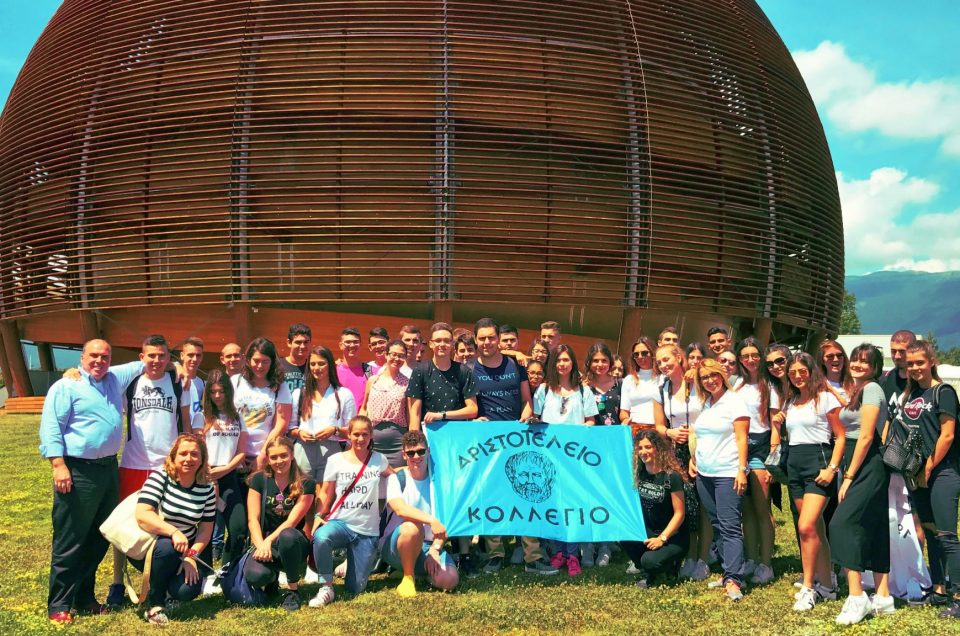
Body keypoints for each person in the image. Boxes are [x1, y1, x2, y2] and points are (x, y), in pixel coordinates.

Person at [39, 339, 144, 624]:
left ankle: (84, 598)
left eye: (105, 356)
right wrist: (58, 465)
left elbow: (147, 360)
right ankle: (59, 603)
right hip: (77, 470)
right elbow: (51, 427)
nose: (99, 361)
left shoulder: (114, 378)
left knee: (99, 538)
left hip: (108, 469)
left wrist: (179, 365)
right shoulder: (66, 386)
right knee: (71, 539)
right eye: (93, 356)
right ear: (82, 358)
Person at [112, 335, 191, 604]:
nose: (156, 360)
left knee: (165, 523)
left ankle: (161, 579)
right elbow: (99, 377)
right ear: (141, 357)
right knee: (124, 522)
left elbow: (186, 425)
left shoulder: (178, 382)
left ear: (169, 358)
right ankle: (117, 583)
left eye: (162, 356)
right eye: (151, 355)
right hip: (133, 463)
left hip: (166, 466)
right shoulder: (130, 383)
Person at [472, 318, 554, 574]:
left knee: (526, 494)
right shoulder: (469, 369)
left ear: (498, 338)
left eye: (491, 337)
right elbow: (471, 405)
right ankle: (495, 554)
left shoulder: (516, 366)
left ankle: (533, 556)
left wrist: (525, 417)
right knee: (491, 497)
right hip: (487, 443)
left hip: (518, 439)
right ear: (476, 340)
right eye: (482, 338)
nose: (487, 342)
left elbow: (527, 401)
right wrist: (476, 419)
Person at [829, 344, 893, 624]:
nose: (857, 364)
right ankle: (883, 596)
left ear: (875, 367)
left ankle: (857, 597)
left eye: (865, 362)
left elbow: (867, 436)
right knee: (875, 526)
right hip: (860, 460)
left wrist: (850, 476)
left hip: (867, 462)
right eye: (855, 359)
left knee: (842, 523)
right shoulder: (858, 390)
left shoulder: (872, 389)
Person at [900, 341, 960, 620]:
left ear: (931, 360)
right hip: (917, 473)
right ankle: (938, 588)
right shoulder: (912, 394)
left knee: (947, 535)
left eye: (919, 362)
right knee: (931, 531)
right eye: (910, 363)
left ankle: (958, 596)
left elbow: (947, 435)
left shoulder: (943, 392)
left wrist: (929, 467)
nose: (914, 368)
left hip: (943, 471)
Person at [132, 434, 215, 626]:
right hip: (154, 546)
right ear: (173, 457)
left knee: (188, 590)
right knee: (168, 548)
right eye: (183, 453)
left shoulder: (207, 488)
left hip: (184, 550)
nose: (188, 459)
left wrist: (191, 557)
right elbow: (142, 514)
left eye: (195, 454)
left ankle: (170, 592)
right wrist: (173, 532)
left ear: (202, 459)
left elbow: (205, 531)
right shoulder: (161, 478)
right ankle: (155, 603)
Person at [310, 416, 391, 607]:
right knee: (321, 537)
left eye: (365, 434)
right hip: (341, 523)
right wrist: (317, 516)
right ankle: (326, 586)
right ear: (349, 434)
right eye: (356, 434)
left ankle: (349, 562)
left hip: (367, 531)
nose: (360, 439)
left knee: (355, 588)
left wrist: (419, 466)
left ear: (371, 436)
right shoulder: (335, 460)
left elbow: (396, 477)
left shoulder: (379, 459)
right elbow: (326, 493)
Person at [784, 352, 844, 611]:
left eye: (802, 371)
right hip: (794, 466)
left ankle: (809, 587)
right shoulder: (792, 401)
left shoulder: (826, 398)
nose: (797, 376)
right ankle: (828, 585)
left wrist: (832, 468)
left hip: (818, 466)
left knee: (806, 526)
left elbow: (840, 436)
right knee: (815, 528)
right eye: (793, 372)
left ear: (811, 371)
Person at [533, 344, 598, 576]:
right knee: (553, 505)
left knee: (573, 505)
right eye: (558, 360)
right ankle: (559, 551)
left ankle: (573, 554)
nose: (562, 364)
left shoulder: (584, 391)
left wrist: (581, 429)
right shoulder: (543, 390)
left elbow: (591, 420)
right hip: (549, 459)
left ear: (573, 362)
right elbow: (537, 418)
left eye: (566, 360)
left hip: (575, 459)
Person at [690, 359, 749, 602]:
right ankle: (728, 572)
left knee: (730, 526)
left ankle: (735, 578)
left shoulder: (735, 401)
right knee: (716, 524)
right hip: (705, 473)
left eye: (713, 375)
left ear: (722, 375)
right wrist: (694, 460)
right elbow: (700, 436)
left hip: (727, 472)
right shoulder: (706, 404)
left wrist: (741, 469)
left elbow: (742, 438)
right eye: (704, 377)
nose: (710, 380)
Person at [380, 431, 459, 597]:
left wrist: (435, 549)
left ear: (428, 451)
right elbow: (401, 509)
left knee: (450, 581)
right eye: (410, 453)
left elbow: (445, 522)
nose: (416, 456)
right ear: (404, 455)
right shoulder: (396, 478)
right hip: (397, 544)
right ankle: (408, 577)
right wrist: (431, 520)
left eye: (421, 451)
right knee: (412, 526)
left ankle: (421, 572)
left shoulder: (439, 482)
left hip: (429, 544)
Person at [652, 344, 707, 581]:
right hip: (676, 451)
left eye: (667, 359)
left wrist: (693, 433)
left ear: (679, 357)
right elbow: (659, 425)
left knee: (703, 504)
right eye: (660, 362)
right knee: (685, 504)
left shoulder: (696, 382)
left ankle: (702, 557)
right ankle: (688, 555)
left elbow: (710, 412)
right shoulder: (661, 388)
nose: (664, 365)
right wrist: (670, 433)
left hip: (701, 447)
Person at [245, 437, 315, 611]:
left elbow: (292, 522)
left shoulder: (306, 484)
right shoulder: (259, 480)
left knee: (287, 535)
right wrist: (260, 544)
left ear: (292, 455)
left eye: (283, 455)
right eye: (274, 457)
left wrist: (268, 541)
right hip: (266, 543)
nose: (279, 461)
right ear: (268, 459)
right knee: (255, 576)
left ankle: (293, 590)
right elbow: (252, 518)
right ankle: (271, 580)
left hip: (294, 543)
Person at [732, 337, 781, 586]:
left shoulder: (770, 385)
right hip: (740, 446)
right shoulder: (736, 384)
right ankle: (750, 559)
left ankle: (766, 563)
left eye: (754, 355)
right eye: (744, 356)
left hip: (762, 447)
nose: (750, 360)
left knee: (763, 508)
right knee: (747, 509)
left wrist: (773, 455)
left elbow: (775, 423)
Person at [198, 369, 248, 586]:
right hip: (205, 478)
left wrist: (226, 468)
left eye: (221, 392)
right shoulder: (200, 416)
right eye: (213, 392)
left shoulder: (238, 417)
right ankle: (204, 573)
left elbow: (242, 452)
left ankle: (227, 569)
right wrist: (208, 468)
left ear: (229, 392)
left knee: (238, 529)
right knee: (204, 527)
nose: (217, 396)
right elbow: (195, 447)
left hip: (229, 476)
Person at [621, 430, 688, 588]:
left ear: (658, 448)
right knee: (624, 536)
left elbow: (680, 514)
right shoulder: (639, 474)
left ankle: (670, 566)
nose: (643, 452)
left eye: (648, 447)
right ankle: (649, 573)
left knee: (648, 561)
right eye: (640, 448)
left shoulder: (672, 477)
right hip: (648, 533)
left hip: (672, 537)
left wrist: (662, 538)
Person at [290, 346, 356, 482]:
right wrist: (299, 433)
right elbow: (290, 428)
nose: (316, 368)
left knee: (326, 496)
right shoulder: (299, 393)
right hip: (303, 449)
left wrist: (335, 430)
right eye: (313, 364)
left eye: (321, 363)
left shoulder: (344, 394)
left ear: (330, 365)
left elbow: (352, 430)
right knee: (302, 493)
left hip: (331, 449)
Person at [360, 339, 411, 468]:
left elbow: (410, 415)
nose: (397, 358)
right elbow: (364, 408)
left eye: (401, 355)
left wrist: (410, 442)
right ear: (386, 354)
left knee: (397, 479)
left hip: (397, 443)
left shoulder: (407, 383)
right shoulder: (373, 380)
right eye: (393, 354)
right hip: (373, 442)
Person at [620, 337, 660, 434]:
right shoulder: (628, 380)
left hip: (657, 429)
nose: (640, 357)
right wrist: (625, 419)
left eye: (645, 353)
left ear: (653, 353)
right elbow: (624, 411)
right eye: (636, 354)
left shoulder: (663, 378)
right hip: (634, 428)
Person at [880, 329, 917, 424]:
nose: (897, 356)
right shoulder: (885, 379)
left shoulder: (922, 382)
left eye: (902, 351)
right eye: (893, 351)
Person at [337, 327, 374, 408]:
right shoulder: (333, 372)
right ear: (340, 345)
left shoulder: (371, 372)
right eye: (348, 342)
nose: (352, 345)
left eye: (355, 342)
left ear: (361, 345)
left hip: (363, 420)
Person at [180, 337, 205, 430]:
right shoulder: (174, 379)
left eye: (198, 355)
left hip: (196, 435)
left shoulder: (203, 384)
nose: (194, 359)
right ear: (182, 355)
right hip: (177, 434)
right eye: (190, 355)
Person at [280, 323, 312, 394]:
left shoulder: (313, 367)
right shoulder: (278, 365)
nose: (303, 346)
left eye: (306, 342)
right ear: (289, 342)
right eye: (298, 342)